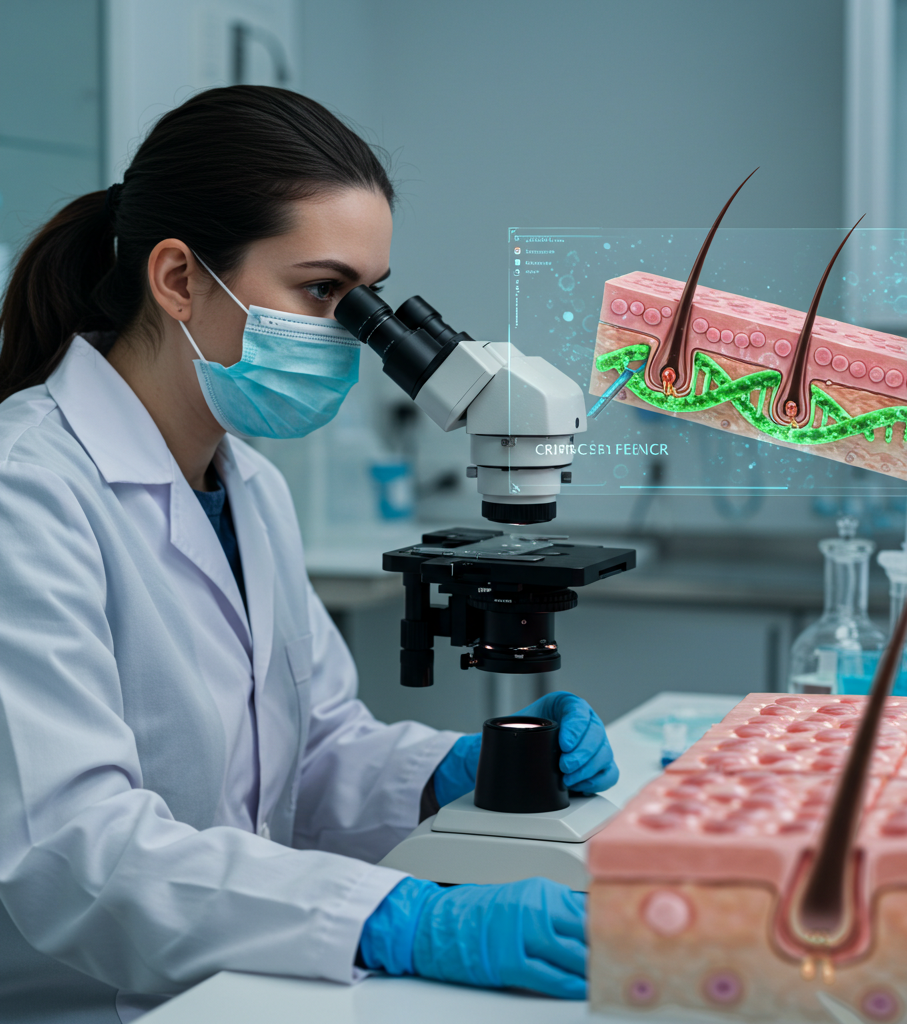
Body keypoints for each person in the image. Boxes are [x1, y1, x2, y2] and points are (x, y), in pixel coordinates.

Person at [0, 86, 619, 1024]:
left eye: (366, 298)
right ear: (178, 280)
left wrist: (453, 767)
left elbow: (314, 749)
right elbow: (75, 846)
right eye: (325, 293)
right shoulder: (25, 488)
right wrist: (395, 917)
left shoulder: (248, 486)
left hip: (235, 982)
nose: (356, 334)